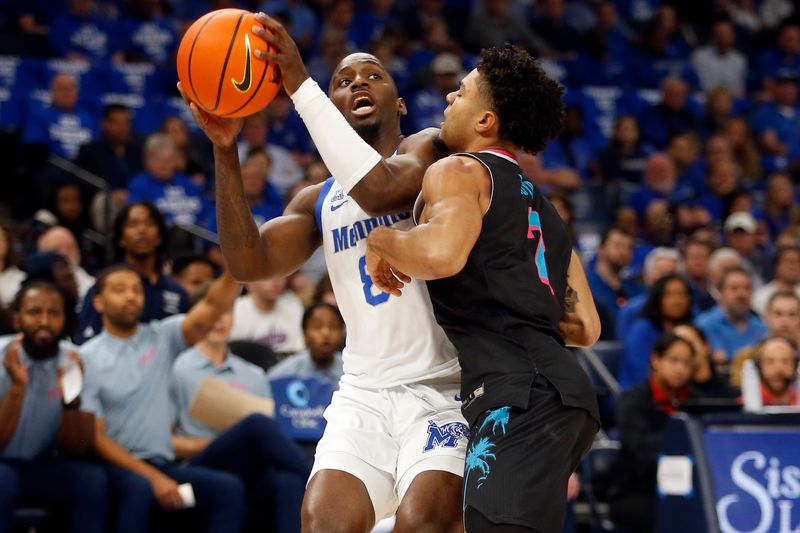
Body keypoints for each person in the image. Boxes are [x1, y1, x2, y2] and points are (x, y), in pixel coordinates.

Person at [180, 20, 467, 531]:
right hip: (363, 394)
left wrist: (298, 82)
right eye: (343, 79)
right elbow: (248, 263)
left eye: (373, 75)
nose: (358, 82)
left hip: (440, 389)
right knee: (321, 523)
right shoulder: (317, 200)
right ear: (331, 111)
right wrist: (225, 149)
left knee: (424, 523)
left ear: (400, 103)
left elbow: (379, 190)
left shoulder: (428, 153)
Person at [361, 45, 601, 531]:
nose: (449, 96)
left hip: (517, 394)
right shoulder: (546, 212)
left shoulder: (458, 170)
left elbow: (442, 256)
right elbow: (584, 326)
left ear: (486, 120)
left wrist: (382, 239)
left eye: (462, 92)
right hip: (566, 396)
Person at [80, 265, 245, 533]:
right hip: (117, 468)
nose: (132, 296)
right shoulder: (85, 356)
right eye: (120, 290)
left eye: (137, 290)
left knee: (227, 488)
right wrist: (154, 478)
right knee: (138, 488)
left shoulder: (162, 336)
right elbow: (96, 438)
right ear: (98, 302)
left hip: (164, 465)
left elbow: (213, 306)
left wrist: (236, 269)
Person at [170, 300, 312, 532]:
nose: (219, 320)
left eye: (225, 313)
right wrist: (221, 441)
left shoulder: (254, 374)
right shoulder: (179, 368)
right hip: (202, 461)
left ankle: (309, 479)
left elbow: (271, 436)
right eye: (212, 314)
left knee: (288, 480)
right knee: (255, 424)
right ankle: (315, 476)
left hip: (249, 466)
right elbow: (165, 442)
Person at [0, 281, 109, 533]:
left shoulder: (75, 360)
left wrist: (70, 400)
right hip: (2, 466)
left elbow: (78, 448)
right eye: (35, 312)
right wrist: (17, 388)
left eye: (54, 313)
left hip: (41, 464)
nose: (45, 322)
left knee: (92, 480)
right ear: (17, 319)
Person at [608, 334, 697, 533]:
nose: (680, 369)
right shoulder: (632, 401)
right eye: (674, 360)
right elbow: (641, 448)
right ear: (656, 360)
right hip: (639, 490)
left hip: (690, 489)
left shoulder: (697, 402)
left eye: (687, 363)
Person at [76, 202, 189, 343]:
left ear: (160, 236)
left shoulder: (177, 291)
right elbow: (85, 340)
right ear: (121, 238)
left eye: (150, 224)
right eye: (133, 225)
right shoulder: (103, 287)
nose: (142, 230)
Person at [619, 274, 694, 389]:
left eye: (682, 294)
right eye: (669, 295)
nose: (677, 301)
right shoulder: (641, 331)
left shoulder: (690, 331)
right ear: (657, 299)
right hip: (642, 395)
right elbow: (640, 372)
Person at [696, 266, 767, 363]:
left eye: (747, 288)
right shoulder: (703, 326)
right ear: (720, 292)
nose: (741, 294)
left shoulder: (761, 328)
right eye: (734, 288)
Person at [267, 302, 345, 385]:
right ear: (305, 333)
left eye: (333, 327)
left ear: (342, 333)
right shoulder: (283, 374)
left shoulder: (352, 370)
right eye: (317, 326)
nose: (326, 333)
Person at [753, 337, 798, 406]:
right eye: (770, 362)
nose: (778, 368)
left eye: (785, 362)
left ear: (795, 366)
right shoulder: (741, 408)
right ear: (759, 366)